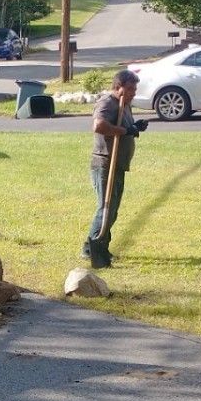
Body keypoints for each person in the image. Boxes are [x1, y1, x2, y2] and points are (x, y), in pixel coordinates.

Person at [83, 67, 143, 268]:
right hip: (105, 163)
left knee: (113, 210)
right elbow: (99, 126)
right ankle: (92, 248)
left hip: (118, 164)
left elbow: (125, 128)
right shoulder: (107, 102)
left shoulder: (125, 103)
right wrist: (122, 130)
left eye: (135, 89)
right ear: (119, 87)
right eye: (131, 89)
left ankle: (98, 246)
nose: (134, 93)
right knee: (106, 208)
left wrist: (133, 128)